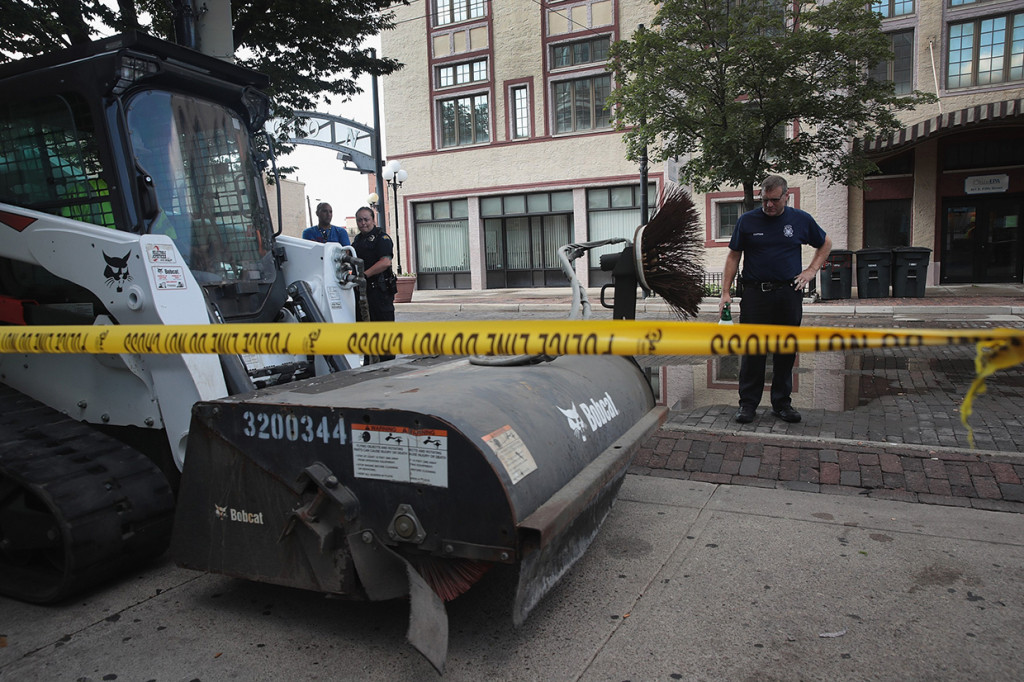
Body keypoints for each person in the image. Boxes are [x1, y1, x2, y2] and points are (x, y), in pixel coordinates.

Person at [719, 175, 832, 424]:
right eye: (764, 200)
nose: (769, 205)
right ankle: (748, 404)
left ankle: (782, 404)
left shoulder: (800, 220)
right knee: (753, 350)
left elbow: (825, 243)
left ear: (786, 197)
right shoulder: (747, 221)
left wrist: (811, 270)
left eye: (774, 200)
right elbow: (733, 256)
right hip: (755, 295)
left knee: (785, 350)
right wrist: (725, 292)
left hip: (787, 294)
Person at [351, 206, 396, 361]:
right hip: (363, 293)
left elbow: (385, 262)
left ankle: (387, 366)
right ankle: (370, 363)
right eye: (359, 220)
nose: (363, 223)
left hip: (380, 292)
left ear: (373, 220)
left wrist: (364, 276)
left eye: (366, 219)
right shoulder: (358, 240)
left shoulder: (382, 238)